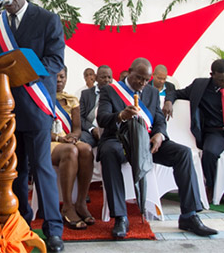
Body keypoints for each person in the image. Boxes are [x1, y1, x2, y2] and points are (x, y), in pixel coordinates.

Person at [0, 0, 65, 252]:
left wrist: (26, 70)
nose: (9, 0)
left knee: (42, 169)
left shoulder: (47, 19)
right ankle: (21, 225)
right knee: (14, 171)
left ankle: (53, 230)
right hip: (6, 110)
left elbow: (55, 61)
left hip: (37, 105)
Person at [97, 57, 217, 238]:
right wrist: (121, 115)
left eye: (146, 80)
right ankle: (121, 217)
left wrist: (159, 135)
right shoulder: (110, 91)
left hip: (147, 142)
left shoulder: (152, 92)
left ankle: (189, 216)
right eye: (139, 78)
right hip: (119, 141)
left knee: (183, 153)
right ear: (129, 71)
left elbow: (159, 120)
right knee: (108, 152)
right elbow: (102, 119)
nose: (142, 83)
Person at [163, 59, 224, 203]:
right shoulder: (200, 86)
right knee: (209, 153)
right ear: (212, 75)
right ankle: (210, 186)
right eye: (221, 79)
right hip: (215, 131)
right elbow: (176, 93)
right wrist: (168, 102)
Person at [51, 67, 94, 230]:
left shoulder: (72, 100)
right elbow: (39, 131)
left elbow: (77, 128)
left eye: (62, 77)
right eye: (55, 77)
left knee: (86, 149)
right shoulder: (43, 99)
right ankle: (67, 206)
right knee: (71, 151)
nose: (59, 80)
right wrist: (60, 139)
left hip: (68, 141)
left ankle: (81, 202)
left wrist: (73, 137)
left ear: (66, 78)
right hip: (50, 142)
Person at [80, 65, 113, 148]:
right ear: (96, 78)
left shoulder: (116, 94)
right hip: (90, 132)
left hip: (109, 134)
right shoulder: (85, 94)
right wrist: (92, 129)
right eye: (103, 77)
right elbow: (80, 117)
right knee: (80, 142)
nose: (107, 80)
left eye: (109, 77)